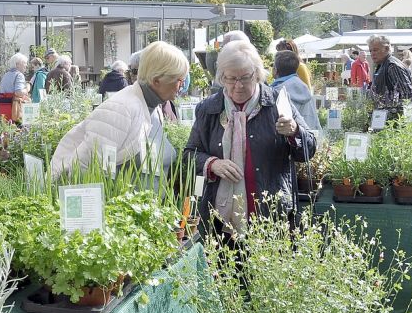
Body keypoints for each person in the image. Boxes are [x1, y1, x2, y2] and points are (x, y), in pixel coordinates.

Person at [185, 41, 316, 238]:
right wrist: (213, 164)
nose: (238, 85)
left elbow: (309, 149)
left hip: (270, 217)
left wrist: (294, 131)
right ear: (222, 77)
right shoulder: (209, 109)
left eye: (245, 78)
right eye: (230, 78)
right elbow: (189, 155)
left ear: (256, 74)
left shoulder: (276, 102)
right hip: (220, 222)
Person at [51, 41, 188, 175]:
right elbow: (86, 170)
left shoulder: (153, 106)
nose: (182, 86)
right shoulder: (121, 109)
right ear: (156, 80)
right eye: (179, 80)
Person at [270, 50, 321, 132]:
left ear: (275, 69)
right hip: (308, 139)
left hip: (288, 142)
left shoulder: (275, 93)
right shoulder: (305, 88)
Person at [368, 35, 412, 117]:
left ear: (386, 49)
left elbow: (407, 95)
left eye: (375, 50)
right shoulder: (383, 65)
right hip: (383, 118)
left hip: (394, 121)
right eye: (370, 51)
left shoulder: (392, 66)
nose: (372, 53)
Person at [0, 53, 29, 122]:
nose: (26, 65)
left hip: (3, 109)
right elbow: (18, 92)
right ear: (17, 64)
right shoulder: (19, 75)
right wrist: (27, 89)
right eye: (24, 63)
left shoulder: (6, 75)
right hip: (14, 110)